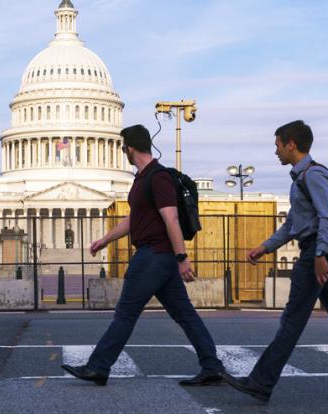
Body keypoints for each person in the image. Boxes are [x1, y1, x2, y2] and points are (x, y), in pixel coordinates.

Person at [222, 120, 328, 402]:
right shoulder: (302, 179)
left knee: (293, 318)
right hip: (318, 249)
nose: (275, 151)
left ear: (291, 144)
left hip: (317, 251)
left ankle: (261, 382)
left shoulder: (313, 177)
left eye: (277, 145)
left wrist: (321, 255)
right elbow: (292, 225)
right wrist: (264, 247)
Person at [61, 124, 225, 386]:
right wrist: (104, 240)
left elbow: (170, 218)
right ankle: (212, 365)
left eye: (124, 146)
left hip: (153, 256)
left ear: (130, 147)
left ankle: (98, 366)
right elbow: (134, 219)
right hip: (161, 257)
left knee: (125, 313)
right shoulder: (143, 179)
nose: (123, 151)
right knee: (184, 314)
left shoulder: (157, 177)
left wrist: (182, 258)